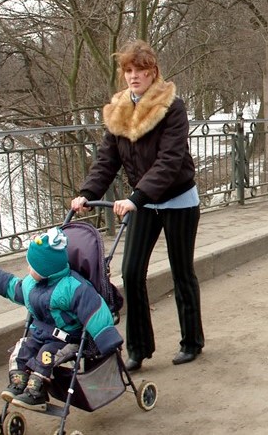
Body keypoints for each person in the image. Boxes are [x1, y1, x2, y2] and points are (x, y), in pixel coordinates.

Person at [70, 39, 204, 371]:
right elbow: (107, 160)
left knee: (181, 271)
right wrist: (87, 192)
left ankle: (192, 342)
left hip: (178, 200)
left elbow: (169, 161)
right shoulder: (119, 109)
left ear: (153, 72)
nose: (134, 76)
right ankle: (139, 349)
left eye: (140, 70)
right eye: (128, 70)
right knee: (131, 272)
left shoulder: (172, 107)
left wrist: (135, 197)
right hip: (142, 202)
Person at [0, 227, 123, 410]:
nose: (29, 269)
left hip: (65, 339)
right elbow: (18, 290)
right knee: (21, 349)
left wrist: (106, 336)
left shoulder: (73, 287)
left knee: (45, 355)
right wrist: (3, 282)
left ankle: (36, 391)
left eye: (32, 266)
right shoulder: (31, 283)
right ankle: (18, 382)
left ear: (46, 270)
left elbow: (94, 309)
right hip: (38, 334)